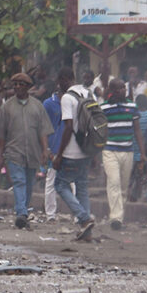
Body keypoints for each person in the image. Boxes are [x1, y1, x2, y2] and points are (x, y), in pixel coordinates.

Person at [0, 72, 53, 230]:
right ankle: (21, 212)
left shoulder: (37, 106)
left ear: (28, 87)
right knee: (19, 181)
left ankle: (23, 213)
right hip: (14, 152)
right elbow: (1, 134)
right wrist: (0, 155)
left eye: (21, 84)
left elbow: (43, 131)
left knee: (28, 184)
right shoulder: (7, 107)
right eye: (16, 84)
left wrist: (45, 150)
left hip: (33, 152)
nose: (18, 87)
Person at [54, 67, 96, 240]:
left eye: (59, 82)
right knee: (82, 188)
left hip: (71, 152)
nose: (59, 86)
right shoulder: (88, 93)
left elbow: (69, 127)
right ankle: (87, 230)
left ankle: (84, 218)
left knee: (61, 185)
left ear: (65, 79)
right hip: (86, 149)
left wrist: (59, 154)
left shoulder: (67, 98)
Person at [101, 79, 144, 230]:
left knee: (124, 186)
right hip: (110, 150)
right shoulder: (104, 107)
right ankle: (116, 218)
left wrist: (142, 154)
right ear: (112, 90)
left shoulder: (132, 106)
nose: (123, 91)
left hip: (128, 150)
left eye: (124, 88)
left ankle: (119, 216)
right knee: (113, 182)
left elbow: (137, 130)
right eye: (120, 88)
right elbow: (100, 130)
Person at [41, 84, 64, 222]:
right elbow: (44, 126)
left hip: (68, 148)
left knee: (72, 182)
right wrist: (47, 148)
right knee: (51, 180)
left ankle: (77, 214)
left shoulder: (72, 102)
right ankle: (50, 214)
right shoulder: (49, 104)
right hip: (54, 148)